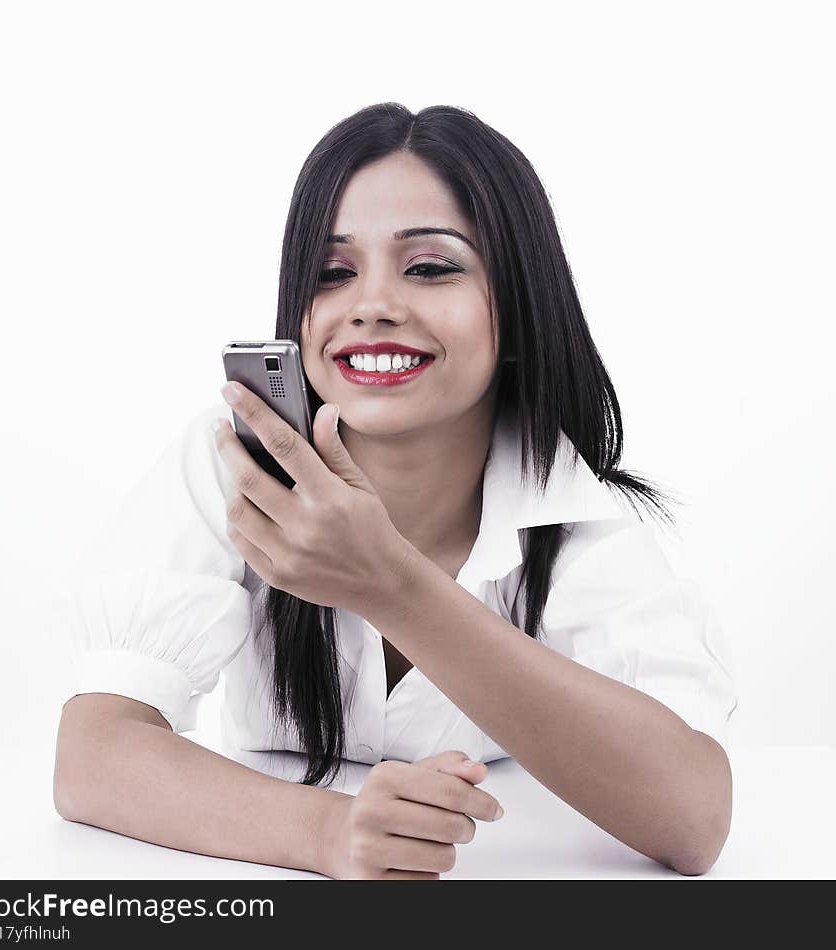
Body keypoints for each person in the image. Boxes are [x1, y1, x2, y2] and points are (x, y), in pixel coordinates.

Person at [52, 102, 738, 880]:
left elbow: (694, 819)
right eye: (332, 273)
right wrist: (329, 835)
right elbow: (92, 755)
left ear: (518, 312)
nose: (371, 304)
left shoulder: (569, 513)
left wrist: (389, 583)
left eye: (431, 267)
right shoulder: (235, 463)